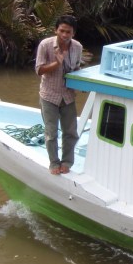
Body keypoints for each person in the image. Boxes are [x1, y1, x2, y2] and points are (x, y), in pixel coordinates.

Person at [35, 15, 83, 175]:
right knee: (51, 133)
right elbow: (39, 70)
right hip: (49, 95)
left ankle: (67, 162)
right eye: (62, 31)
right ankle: (54, 163)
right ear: (56, 30)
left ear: (73, 33)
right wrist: (57, 63)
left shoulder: (77, 47)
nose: (64, 34)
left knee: (71, 132)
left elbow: (76, 68)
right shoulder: (45, 45)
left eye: (68, 32)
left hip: (68, 95)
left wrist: (82, 84)